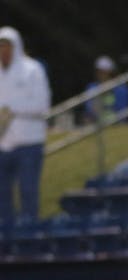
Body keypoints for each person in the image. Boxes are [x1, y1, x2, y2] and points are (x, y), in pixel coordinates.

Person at [0, 27, 50, 227]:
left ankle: (29, 236)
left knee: (28, 192)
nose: (3, 50)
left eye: (7, 46)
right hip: (3, 144)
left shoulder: (33, 70)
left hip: (29, 142)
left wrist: (9, 111)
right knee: (2, 197)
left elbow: (41, 105)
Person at [84, 56, 128, 125]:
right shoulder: (91, 87)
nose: (100, 73)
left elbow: (123, 110)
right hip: (97, 125)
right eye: (99, 71)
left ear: (110, 71)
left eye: (103, 71)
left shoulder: (121, 89)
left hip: (118, 125)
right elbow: (88, 109)